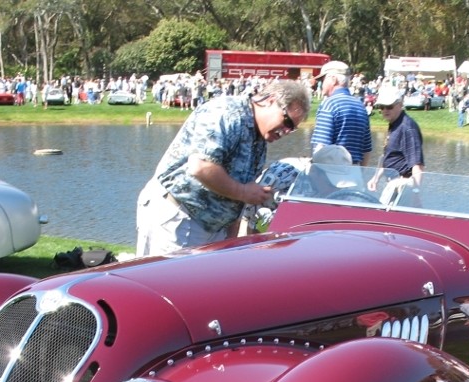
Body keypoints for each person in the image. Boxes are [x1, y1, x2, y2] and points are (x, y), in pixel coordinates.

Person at [135, 79, 310, 258]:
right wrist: (243, 192)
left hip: (212, 228)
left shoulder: (259, 139)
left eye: (293, 129)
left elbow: (237, 199)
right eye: (287, 122)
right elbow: (201, 166)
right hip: (177, 216)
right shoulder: (225, 112)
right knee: (165, 283)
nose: (286, 131)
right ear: (270, 100)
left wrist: (230, 243)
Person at [368, 84, 425, 205]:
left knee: (383, 219)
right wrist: (376, 177)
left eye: (389, 106)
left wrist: (415, 193)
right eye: (382, 107)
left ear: (400, 104)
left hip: (403, 186)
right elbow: (388, 155)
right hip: (393, 184)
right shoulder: (394, 123)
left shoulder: (407, 128)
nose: (384, 110)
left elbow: (417, 165)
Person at [310, 61, 372, 166]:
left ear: (333, 80)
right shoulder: (360, 106)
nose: (321, 84)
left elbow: (321, 147)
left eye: (323, 79)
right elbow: (366, 149)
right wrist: (361, 175)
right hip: (355, 174)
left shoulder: (329, 104)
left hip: (332, 175)